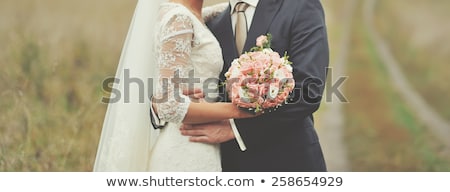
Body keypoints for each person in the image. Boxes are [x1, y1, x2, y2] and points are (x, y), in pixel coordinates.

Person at [93, 0, 254, 172]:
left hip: (201, 143)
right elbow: (169, 105)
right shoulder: (179, 19)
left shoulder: (193, 14)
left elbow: (226, 10)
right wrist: (243, 110)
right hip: (186, 148)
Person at [179, 0, 330, 171]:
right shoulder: (213, 25)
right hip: (231, 165)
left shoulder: (300, 6)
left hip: (289, 160)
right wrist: (196, 97)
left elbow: (309, 91)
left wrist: (237, 130)